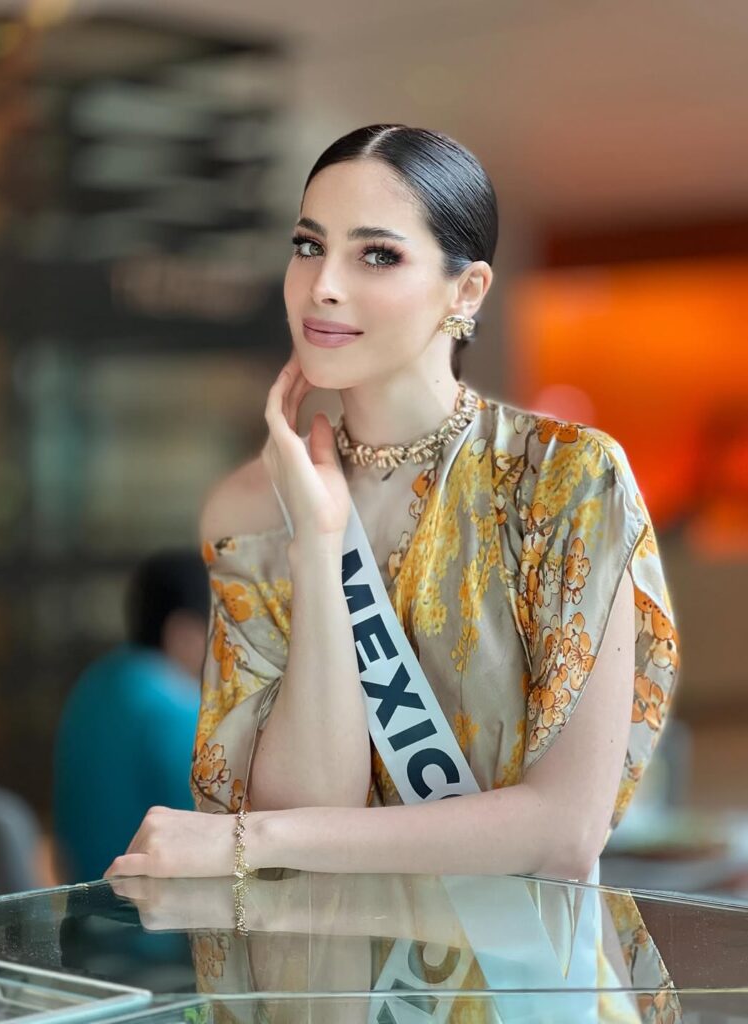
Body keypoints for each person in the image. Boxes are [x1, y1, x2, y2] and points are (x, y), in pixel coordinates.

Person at [104, 123, 679, 883]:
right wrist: (317, 540)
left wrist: (255, 842)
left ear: (465, 290)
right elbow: (308, 798)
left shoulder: (564, 481)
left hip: (521, 986)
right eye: (309, 245)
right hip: (333, 986)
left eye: (376, 254)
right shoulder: (249, 511)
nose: (323, 285)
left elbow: (561, 831)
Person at [55, 549, 209, 882]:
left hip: (86, 916)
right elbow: (214, 826)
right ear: (183, 632)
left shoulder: (95, 682)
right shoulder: (172, 705)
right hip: (149, 923)